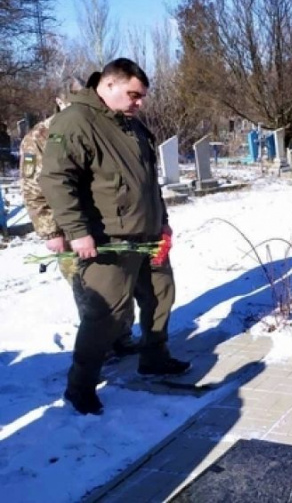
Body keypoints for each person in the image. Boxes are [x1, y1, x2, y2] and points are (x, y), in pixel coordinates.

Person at [39, 58, 190, 416]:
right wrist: (76, 232)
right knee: (105, 315)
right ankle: (81, 387)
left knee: (160, 296)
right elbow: (56, 180)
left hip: (148, 234)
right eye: (134, 94)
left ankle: (154, 357)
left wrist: (162, 220)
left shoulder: (130, 125)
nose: (139, 103)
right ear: (109, 85)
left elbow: (147, 181)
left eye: (142, 97)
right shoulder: (77, 121)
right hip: (109, 239)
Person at [19, 75, 140, 358]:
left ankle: (122, 335)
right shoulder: (40, 137)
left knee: (118, 280)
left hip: (107, 223)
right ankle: (97, 348)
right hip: (69, 228)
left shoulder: (101, 128)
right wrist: (51, 232)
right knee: (89, 290)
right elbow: (33, 189)